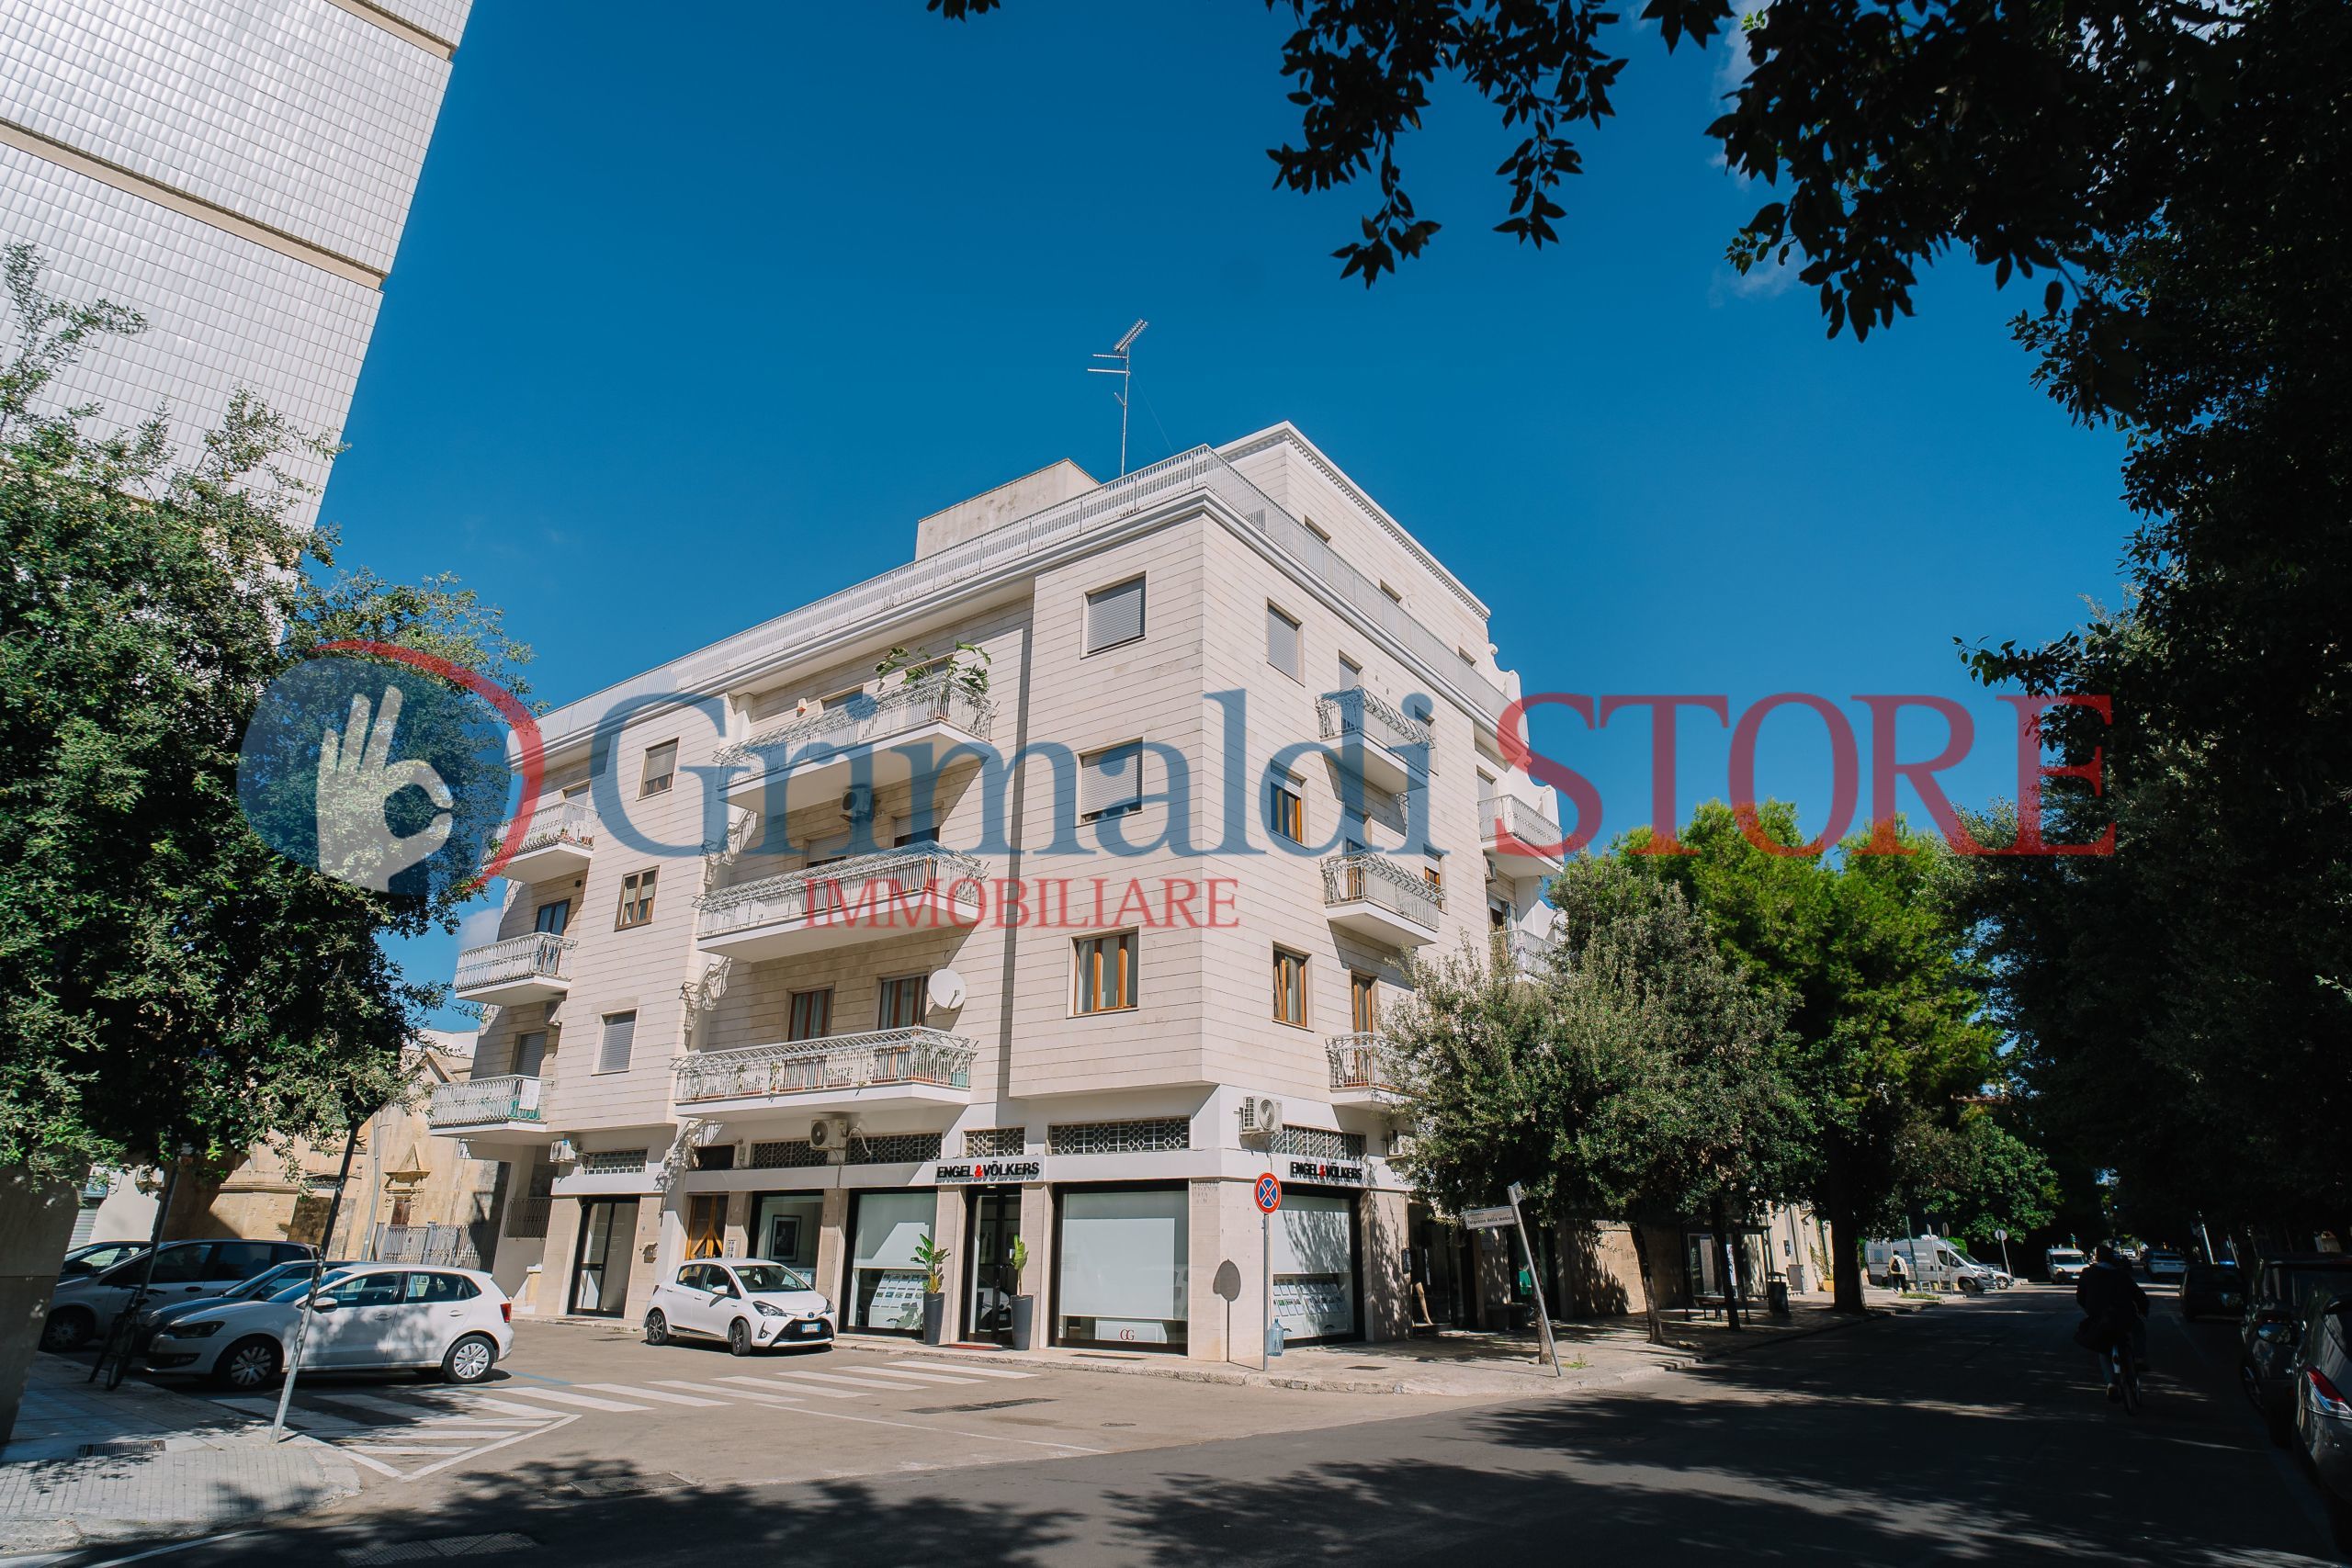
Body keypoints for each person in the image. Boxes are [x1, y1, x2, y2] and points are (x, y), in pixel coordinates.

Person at [2076, 1242, 2151, 1399]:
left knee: (2103, 1350)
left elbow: (2080, 1297)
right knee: (2138, 1328)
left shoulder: (2087, 1273)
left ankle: (2111, 1383)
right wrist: (2144, 1310)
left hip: (2100, 1319)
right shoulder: (2120, 1274)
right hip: (2124, 1317)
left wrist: (2091, 1311)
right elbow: (2137, 1294)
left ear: (2097, 1258)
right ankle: (2138, 1357)